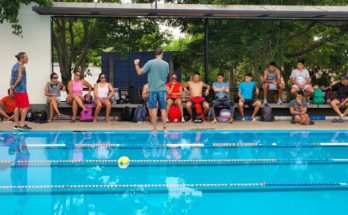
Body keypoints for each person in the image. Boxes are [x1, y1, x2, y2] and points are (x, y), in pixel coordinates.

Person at [134, 48, 169, 133]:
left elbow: (139, 72)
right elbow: (166, 76)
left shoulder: (150, 62)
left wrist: (136, 64)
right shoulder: (166, 64)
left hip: (152, 89)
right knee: (163, 109)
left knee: (153, 109)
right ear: (162, 53)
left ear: (155, 54)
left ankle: (154, 129)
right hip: (162, 89)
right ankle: (165, 128)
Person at [10, 52, 31, 130]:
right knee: (26, 107)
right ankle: (22, 124)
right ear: (22, 58)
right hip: (21, 90)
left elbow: (11, 78)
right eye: (26, 57)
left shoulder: (14, 66)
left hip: (16, 91)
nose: (28, 59)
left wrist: (12, 88)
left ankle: (16, 124)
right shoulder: (22, 67)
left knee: (17, 106)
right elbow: (19, 78)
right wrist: (14, 86)